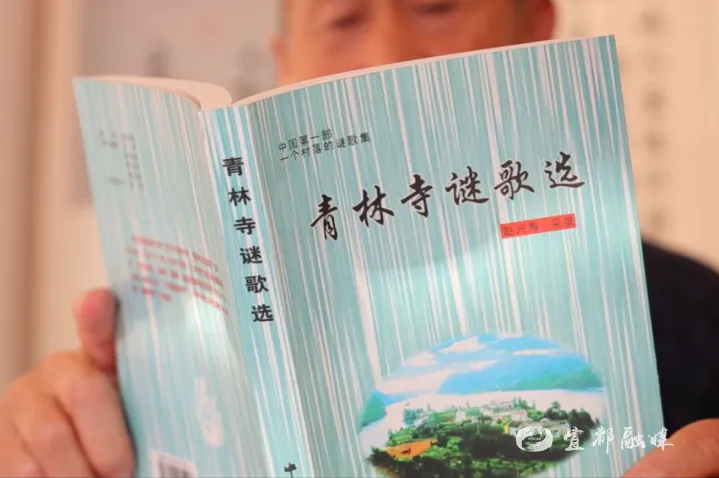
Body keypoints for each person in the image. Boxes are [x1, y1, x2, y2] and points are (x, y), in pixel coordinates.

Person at [2, 0, 719, 476]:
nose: (386, 52)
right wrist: (74, 444)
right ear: (284, 64)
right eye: (342, 18)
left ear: (536, 29)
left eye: (436, 6)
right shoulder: (190, 347)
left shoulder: (694, 324)